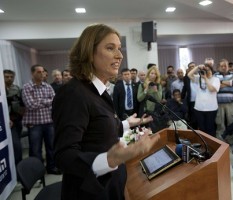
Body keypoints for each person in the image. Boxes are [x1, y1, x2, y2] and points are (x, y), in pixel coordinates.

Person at [52, 24, 159, 200]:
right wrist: (110, 160)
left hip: (110, 186)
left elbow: (97, 127)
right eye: (110, 48)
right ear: (89, 53)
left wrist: (126, 124)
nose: (120, 55)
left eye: (119, 48)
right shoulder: (73, 93)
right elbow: (64, 156)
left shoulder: (97, 90)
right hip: (89, 193)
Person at [22, 64, 59, 174]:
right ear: (33, 73)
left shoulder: (47, 86)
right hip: (34, 124)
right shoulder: (27, 87)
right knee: (35, 149)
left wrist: (40, 101)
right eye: (39, 72)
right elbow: (30, 105)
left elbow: (55, 101)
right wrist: (47, 101)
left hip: (49, 122)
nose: (42, 74)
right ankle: (37, 171)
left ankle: (51, 168)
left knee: (51, 147)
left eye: (43, 72)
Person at [188, 63, 220, 137]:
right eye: (204, 70)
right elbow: (189, 75)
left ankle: (211, 145)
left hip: (211, 109)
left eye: (208, 70)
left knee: (210, 128)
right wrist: (198, 66)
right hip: (199, 108)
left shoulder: (216, 79)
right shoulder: (199, 78)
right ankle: (203, 145)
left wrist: (205, 78)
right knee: (201, 129)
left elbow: (212, 89)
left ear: (212, 71)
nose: (206, 71)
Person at [4, 69, 24, 167]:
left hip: (17, 121)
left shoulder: (16, 88)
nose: (9, 79)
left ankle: (17, 169)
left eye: (11, 77)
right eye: (6, 77)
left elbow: (21, 104)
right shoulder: (1, 90)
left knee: (16, 145)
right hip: (6, 123)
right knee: (16, 147)